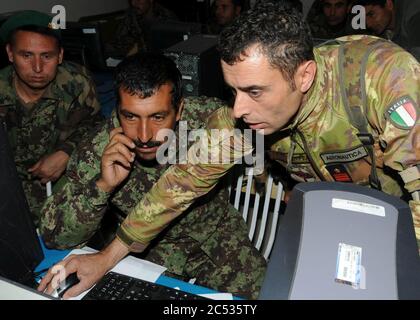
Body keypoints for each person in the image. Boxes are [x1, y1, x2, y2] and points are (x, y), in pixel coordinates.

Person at [39, 2, 419, 298]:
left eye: (254, 91)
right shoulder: (242, 118)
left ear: (304, 76)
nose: (237, 109)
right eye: (232, 91)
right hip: (331, 211)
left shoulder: (380, 79)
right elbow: (182, 184)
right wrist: (107, 257)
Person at [38, 52, 266, 299]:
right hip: (149, 251)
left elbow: (267, 133)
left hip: (218, 239)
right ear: (117, 111)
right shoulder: (100, 148)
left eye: (158, 117)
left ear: (179, 110)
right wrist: (102, 186)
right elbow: (54, 236)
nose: (144, 135)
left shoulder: (208, 119)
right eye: (130, 116)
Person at [0, 11, 101, 223]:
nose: (37, 68)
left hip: (62, 183)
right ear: (10, 53)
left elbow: (97, 125)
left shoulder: (76, 83)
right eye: (26, 55)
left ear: (61, 55)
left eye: (47, 56)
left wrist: (67, 151)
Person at [354, 0, 420, 61]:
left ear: (389, 4)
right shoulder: (381, 30)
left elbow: (416, 60)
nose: (368, 24)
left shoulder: (414, 13)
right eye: (364, 19)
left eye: (371, 14)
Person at [108, 0, 178, 56]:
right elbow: (118, 39)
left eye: (138, 0)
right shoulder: (131, 14)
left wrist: (138, 47)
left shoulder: (166, 17)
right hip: (134, 60)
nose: (133, 3)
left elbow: (165, 48)